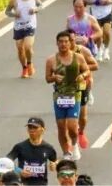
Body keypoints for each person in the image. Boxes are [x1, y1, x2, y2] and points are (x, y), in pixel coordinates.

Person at [45, 31, 94, 162]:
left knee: (72, 127)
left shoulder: (78, 57)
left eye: (66, 41)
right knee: (61, 126)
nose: (63, 44)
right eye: (61, 42)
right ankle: (66, 152)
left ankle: (74, 144)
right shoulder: (51, 60)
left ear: (70, 43)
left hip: (74, 95)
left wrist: (82, 75)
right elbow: (47, 78)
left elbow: (87, 70)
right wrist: (54, 77)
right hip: (59, 96)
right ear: (57, 43)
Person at [6, 0, 43, 79]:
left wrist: (35, 10)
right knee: (20, 48)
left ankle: (30, 63)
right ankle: (24, 68)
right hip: (18, 26)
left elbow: (41, 5)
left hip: (30, 25)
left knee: (28, 46)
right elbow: (7, 12)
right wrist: (14, 14)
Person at [7, 116, 58, 185]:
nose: (32, 130)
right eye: (30, 127)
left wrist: (55, 165)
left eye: (35, 127)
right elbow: (5, 162)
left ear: (43, 130)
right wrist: (19, 171)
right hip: (23, 184)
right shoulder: (20, 147)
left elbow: (55, 161)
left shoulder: (48, 148)